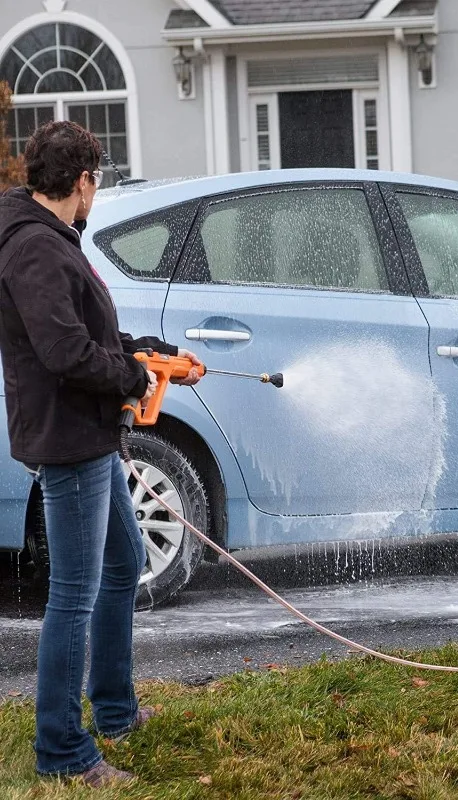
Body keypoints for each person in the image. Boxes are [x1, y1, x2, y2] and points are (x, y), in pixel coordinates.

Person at [0, 121, 201, 787]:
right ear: (82, 182)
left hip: (88, 431)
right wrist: (135, 379)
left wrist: (147, 351)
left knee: (122, 564)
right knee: (74, 596)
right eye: (96, 184)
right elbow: (62, 353)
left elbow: (86, 331)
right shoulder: (35, 249)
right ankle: (62, 749)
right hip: (70, 439)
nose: (95, 195)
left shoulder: (52, 240)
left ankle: (113, 710)